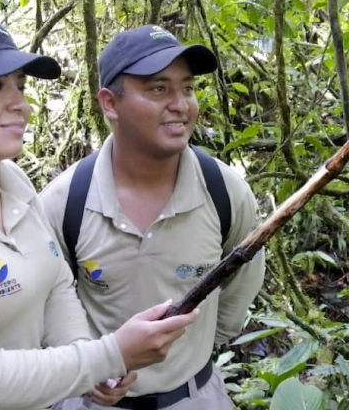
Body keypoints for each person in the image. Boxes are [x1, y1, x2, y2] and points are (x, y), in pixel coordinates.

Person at [0, 12, 198, 410]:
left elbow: (56, 286)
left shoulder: (11, 182)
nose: (21, 105)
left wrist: (90, 361)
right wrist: (107, 355)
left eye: (20, 86)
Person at [40, 25, 265, 409]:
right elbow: (45, 302)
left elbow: (242, 282)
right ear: (110, 103)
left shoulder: (224, 191)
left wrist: (194, 350)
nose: (181, 104)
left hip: (194, 397)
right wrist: (87, 366)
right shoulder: (64, 201)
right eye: (158, 89)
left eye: (188, 88)